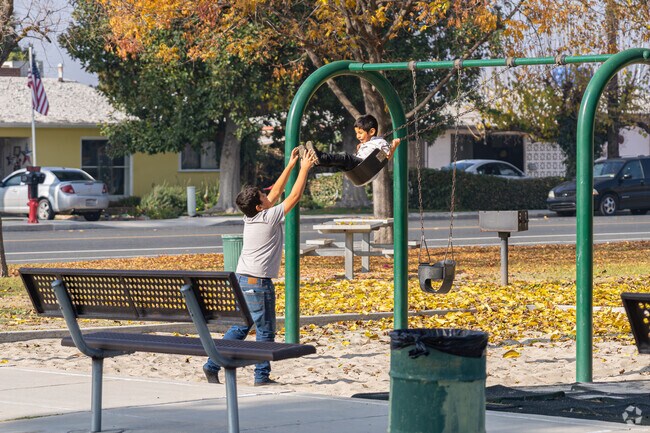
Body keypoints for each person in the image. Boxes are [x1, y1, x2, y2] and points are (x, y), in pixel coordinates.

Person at [203, 146, 318, 386]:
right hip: (258, 282)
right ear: (259, 206)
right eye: (263, 198)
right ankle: (261, 376)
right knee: (265, 331)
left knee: (241, 327)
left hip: (243, 279)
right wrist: (305, 168)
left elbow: (276, 191)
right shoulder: (268, 217)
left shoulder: (252, 216)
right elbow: (293, 197)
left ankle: (211, 364)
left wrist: (290, 164)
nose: (268, 196)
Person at [304, 114, 400, 172]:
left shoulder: (380, 142)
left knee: (345, 157)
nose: (357, 136)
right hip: (358, 168)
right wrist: (361, 147)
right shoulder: (370, 143)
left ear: (371, 132)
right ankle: (313, 160)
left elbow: (386, 157)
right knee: (338, 162)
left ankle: (319, 156)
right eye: (356, 133)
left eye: (360, 133)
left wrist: (394, 147)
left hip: (365, 166)